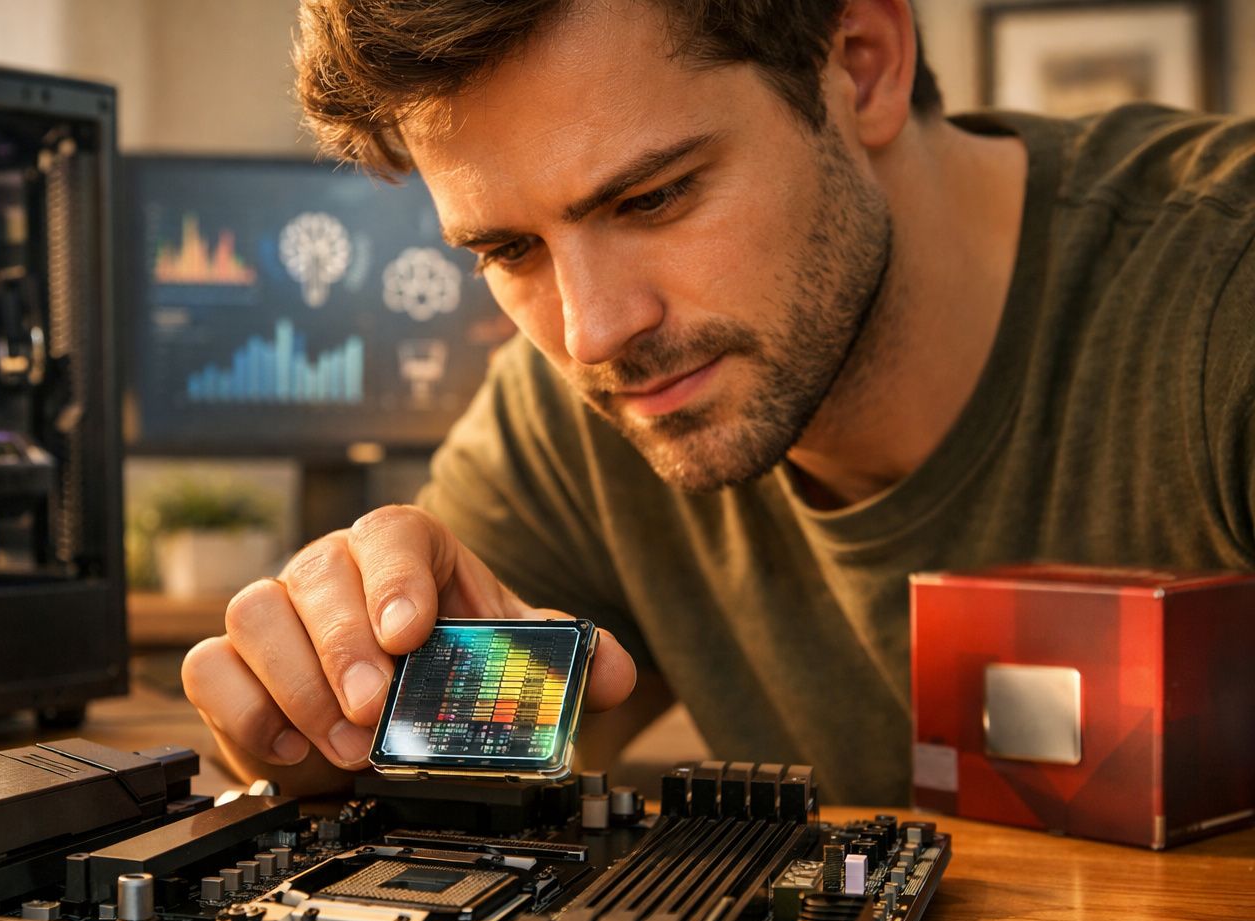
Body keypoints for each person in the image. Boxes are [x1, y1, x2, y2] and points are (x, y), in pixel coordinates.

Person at [182, 0, 1255, 803]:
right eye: (509, 250)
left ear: (862, 65)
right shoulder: (583, 410)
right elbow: (414, 794)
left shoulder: (1224, 309)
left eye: (652, 197)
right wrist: (325, 719)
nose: (594, 331)